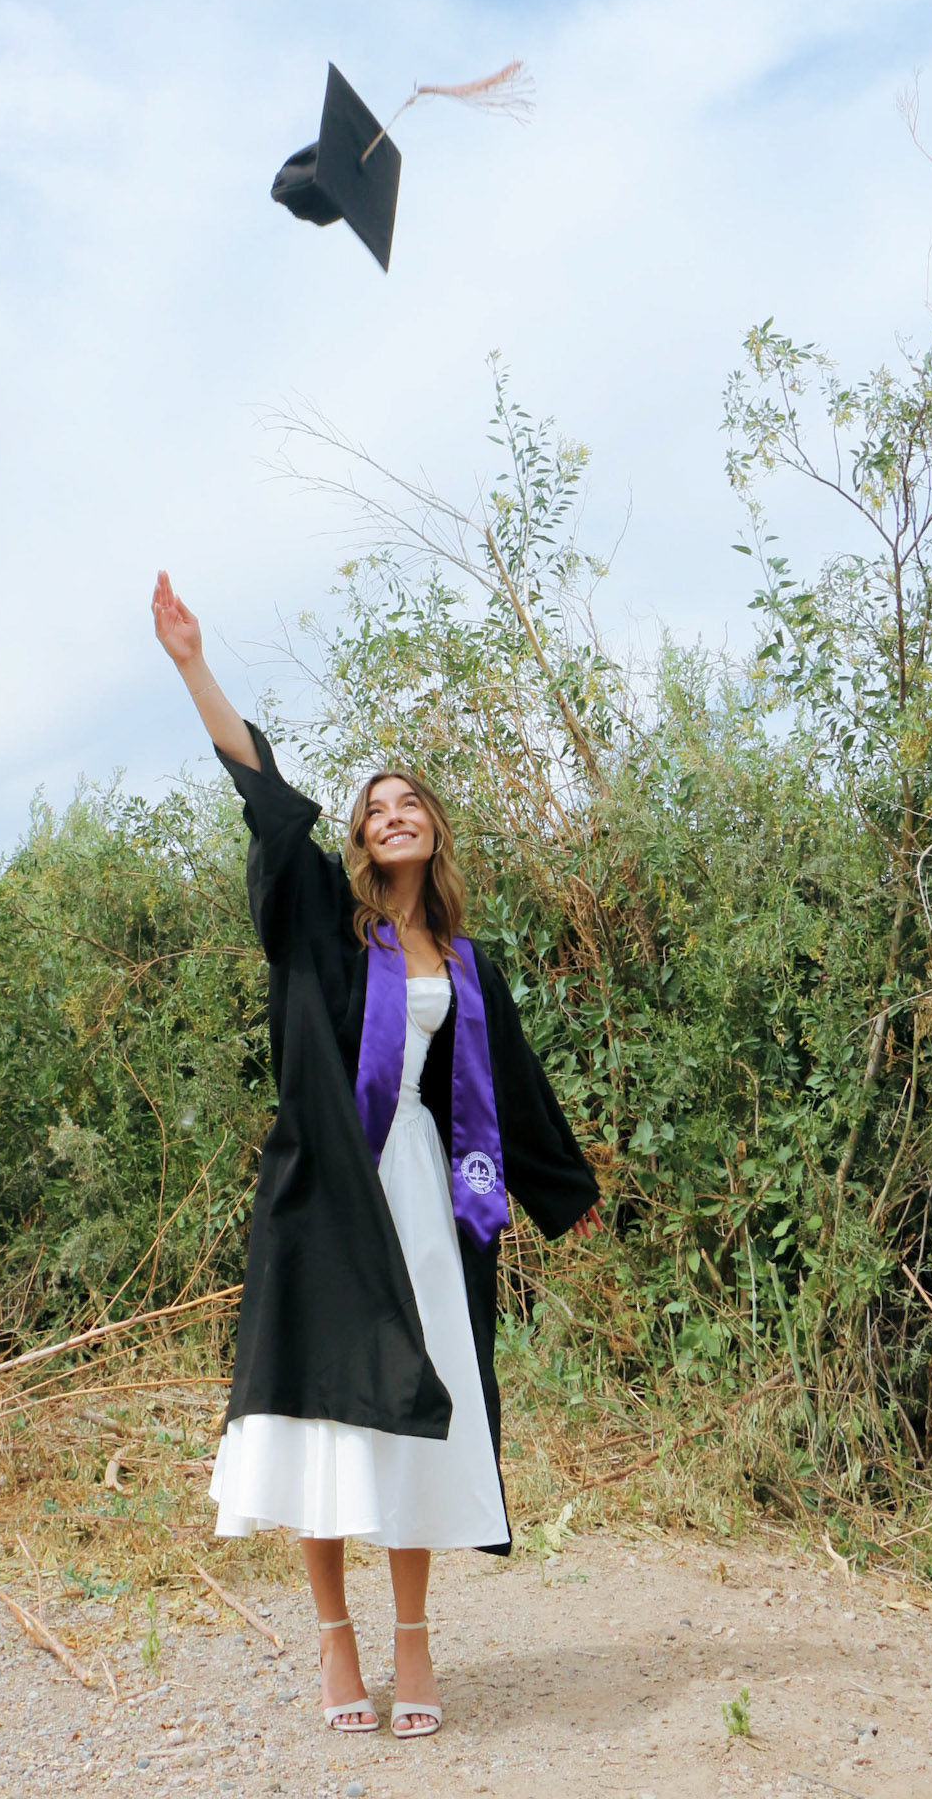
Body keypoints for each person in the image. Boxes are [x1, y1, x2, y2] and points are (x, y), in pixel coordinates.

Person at [153, 570, 602, 1739]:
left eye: (412, 803)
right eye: (376, 805)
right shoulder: (326, 922)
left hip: (422, 1196)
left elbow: (510, 1088)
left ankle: (412, 1636)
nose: (393, 814)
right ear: (358, 834)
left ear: (433, 828)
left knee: (415, 1408)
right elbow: (264, 798)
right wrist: (195, 664)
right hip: (328, 1191)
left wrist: (565, 1193)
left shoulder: (466, 962)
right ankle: (333, 1637)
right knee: (323, 1416)